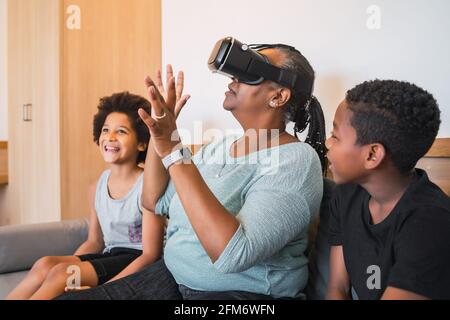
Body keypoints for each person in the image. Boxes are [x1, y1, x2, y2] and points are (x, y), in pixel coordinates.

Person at [56, 42, 326, 300]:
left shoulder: (296, 161)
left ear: (278, 97)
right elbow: (154, 200)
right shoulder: (217, 148)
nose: (232, 79)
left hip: (243, 296)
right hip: (171, 278)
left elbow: (233, 254)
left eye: (249, 73)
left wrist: (174, 151)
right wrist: (161, 131)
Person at [6, 92, 166, 300]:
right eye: (105, 130)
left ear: (142, 144)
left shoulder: (148, 186)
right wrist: (63, 266)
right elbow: (94, 241)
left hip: (138, 260)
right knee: (45, 264)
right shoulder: (97, 186)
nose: (110, 137)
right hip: (110, 255)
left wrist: (103, 289)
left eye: (121, 131)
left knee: (63, 274)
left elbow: (151, 254)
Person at [325, 80, 450, 300]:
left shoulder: (431, 223)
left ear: (372, 155)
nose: (328, 143)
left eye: (335, 136)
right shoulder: (346, 195)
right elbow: (337, 289)